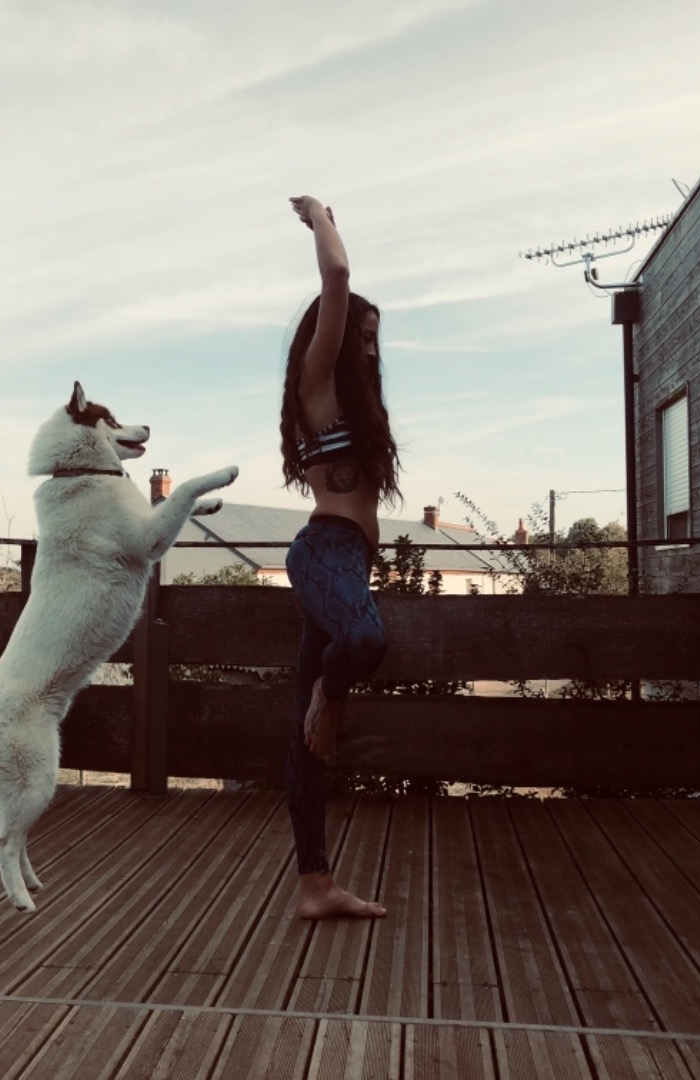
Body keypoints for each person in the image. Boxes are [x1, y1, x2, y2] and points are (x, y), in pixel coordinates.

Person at [279, 195, 402, 920]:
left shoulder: (351, 406)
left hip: (346, 566)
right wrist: (320, 216)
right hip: (323, 553)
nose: (371, 350)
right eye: (363, 336)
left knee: (308, 741)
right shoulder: (316, 383)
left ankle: (315, 887)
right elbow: (337, 275)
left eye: (376, 340)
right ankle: (329, 696)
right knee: (365, 642)